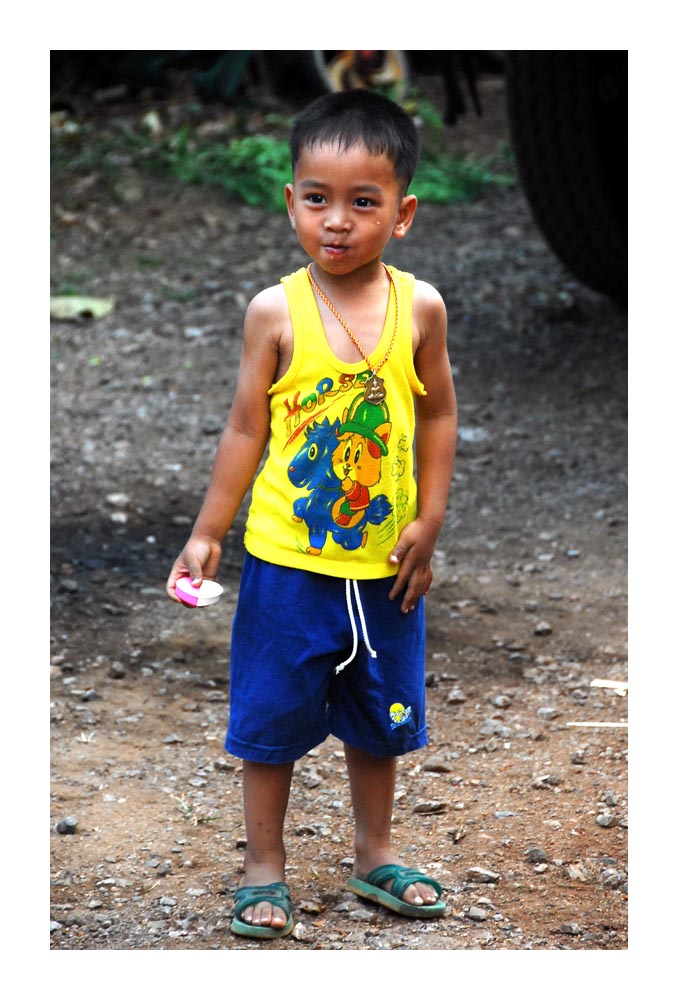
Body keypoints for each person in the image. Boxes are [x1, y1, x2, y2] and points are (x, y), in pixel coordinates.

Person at [166, 88, 457, 940]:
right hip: (288, 566)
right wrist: (209, 531)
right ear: (290, 200)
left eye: (363, 203)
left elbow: (437, 414)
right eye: (318, 198)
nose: (337, 221)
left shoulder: (421, 309)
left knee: (379, 719)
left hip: (385, 568)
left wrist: (430, 519)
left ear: (401, 214)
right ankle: (264, 869)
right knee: (270, 721)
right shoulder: (275, 311)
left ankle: (374, 856)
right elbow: (246, 426)